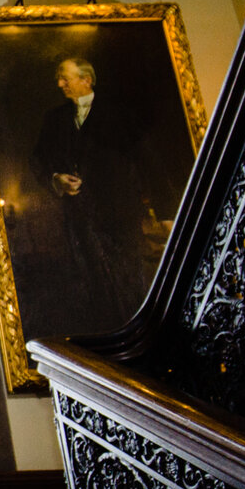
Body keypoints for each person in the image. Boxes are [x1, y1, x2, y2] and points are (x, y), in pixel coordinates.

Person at [20, 55, 150, 338]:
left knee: (129, 279)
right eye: (59, 78)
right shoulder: (54, 119)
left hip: (120, 215)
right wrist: (56, 180)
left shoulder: (118, 113)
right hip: (79, 219)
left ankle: (138, 336)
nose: (60, 84)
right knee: (93, 282)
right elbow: (38, 160)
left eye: (65, 77)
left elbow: (144, 160)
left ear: (86, 80)